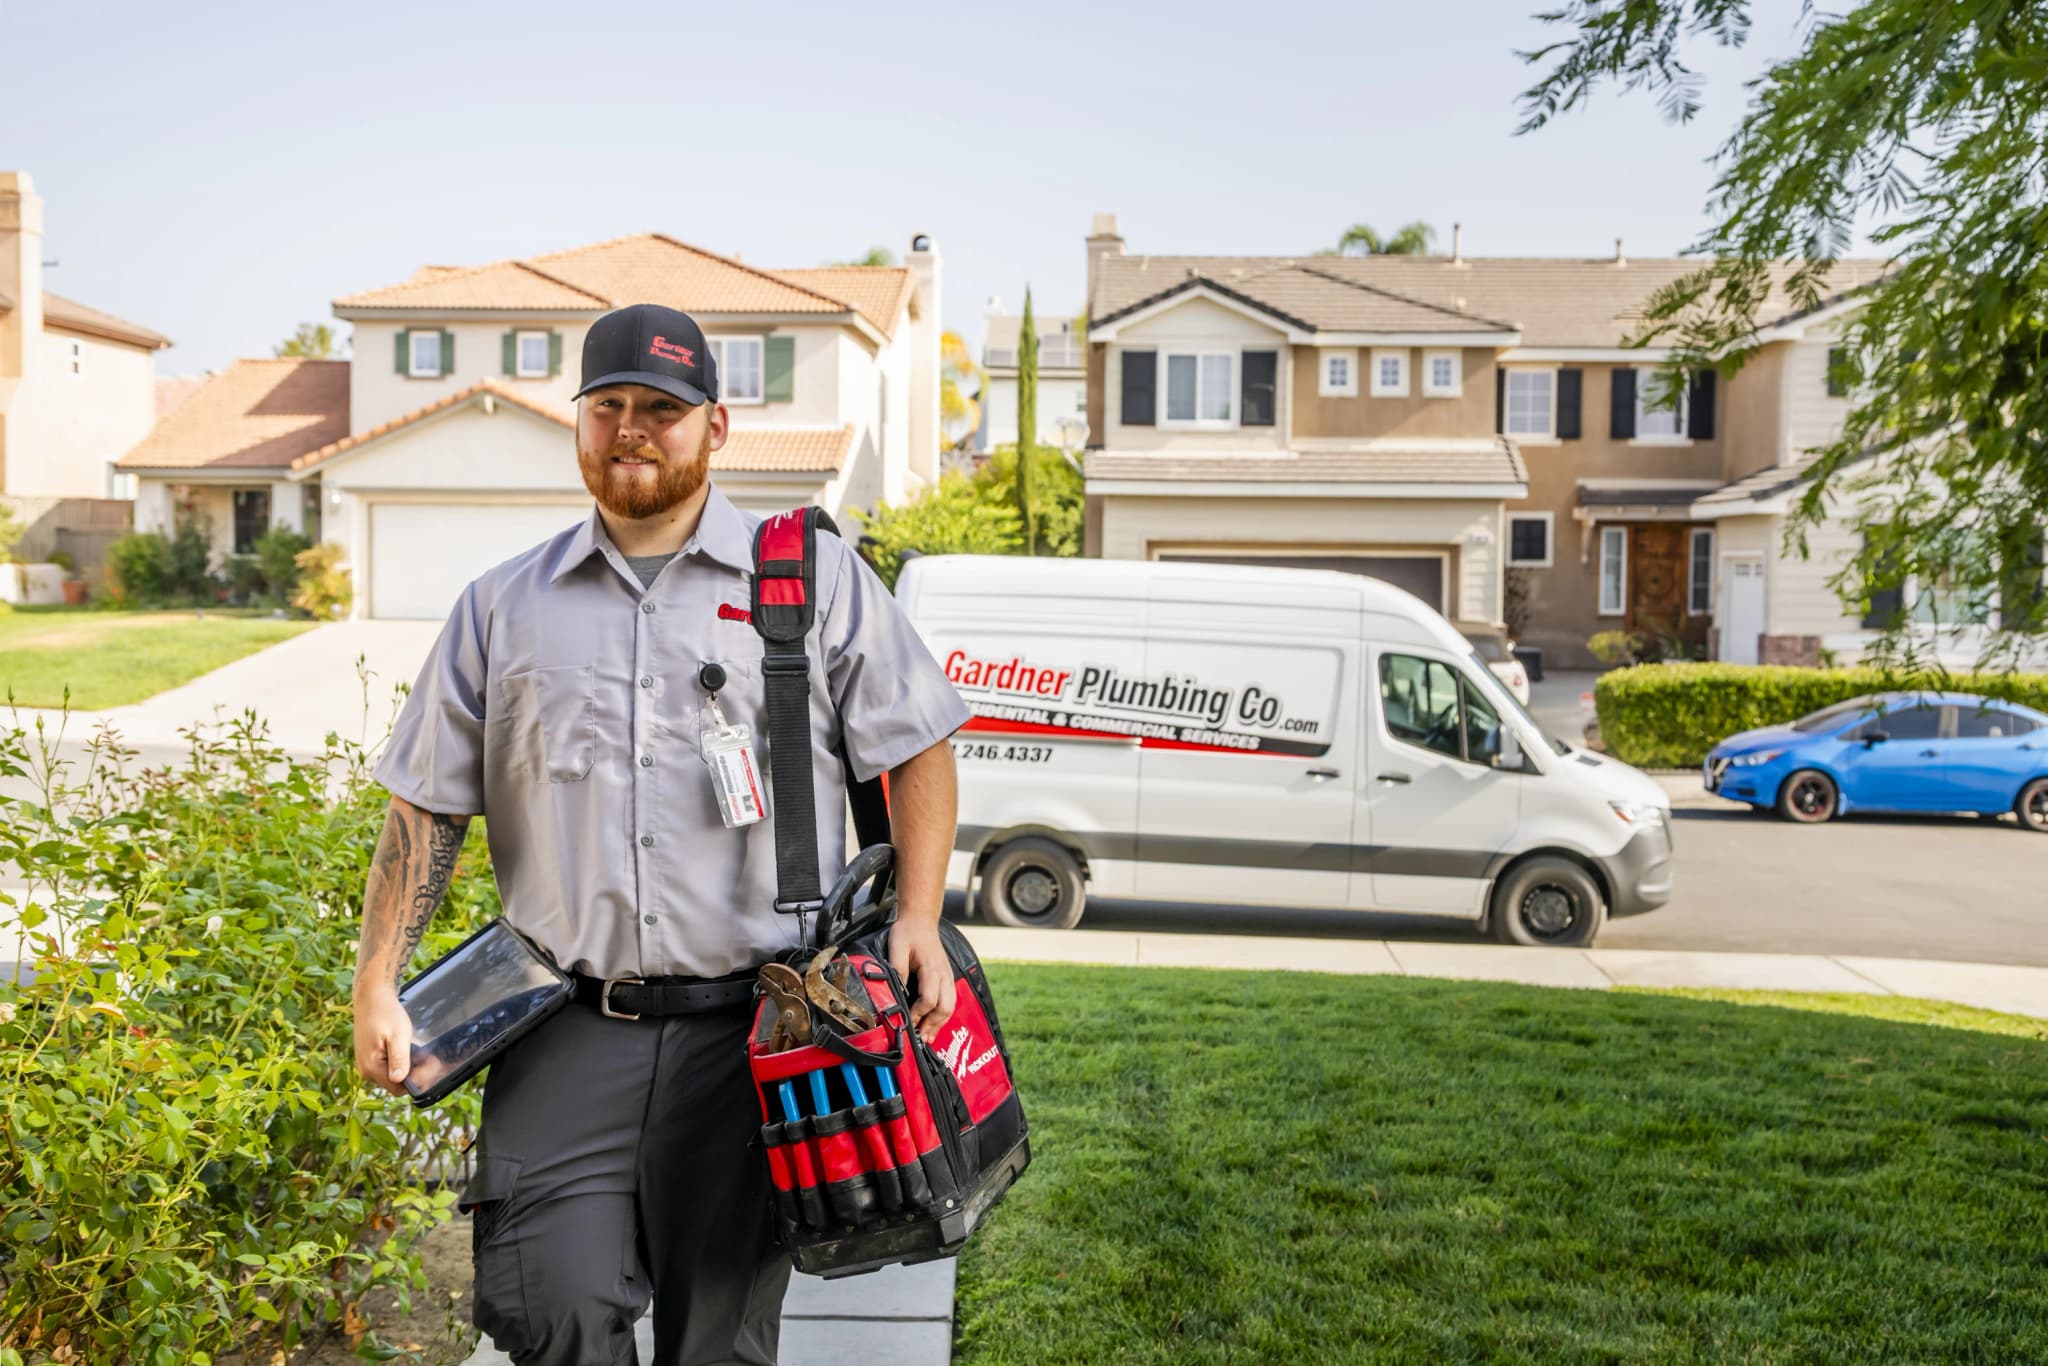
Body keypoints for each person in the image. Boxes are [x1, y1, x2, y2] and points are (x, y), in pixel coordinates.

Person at [349, 303, 971, 1365]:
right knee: (553, 1308)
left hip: (757, 1033)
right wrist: (376, 979)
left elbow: (915, 743)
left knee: (717, 1342)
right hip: (560, 1026)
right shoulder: (502, 606)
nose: (632, 428)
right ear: (580, 424)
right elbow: (425, 806)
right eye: (609, 406)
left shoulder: (806, 582)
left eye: (662, 409)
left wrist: (917, 913)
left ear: (715, 429)